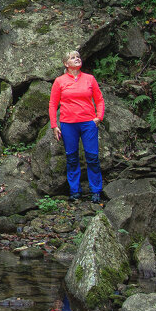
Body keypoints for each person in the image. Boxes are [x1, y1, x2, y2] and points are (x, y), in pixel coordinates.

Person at [48, 49, 105, 203]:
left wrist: (98, 117)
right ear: (66, 64)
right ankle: (75, 191)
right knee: (72, 158)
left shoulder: (89, 79)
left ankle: (96, 191)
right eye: (73, 58)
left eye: (78, 57)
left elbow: (99, 100)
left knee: (92, 157)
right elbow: (53, 104)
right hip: (68, 124)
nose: (77, 59)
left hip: (88, 123)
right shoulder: (60, 81)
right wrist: (54, 125)